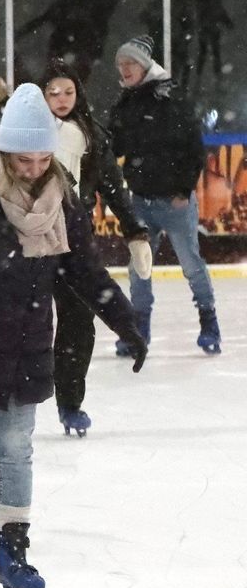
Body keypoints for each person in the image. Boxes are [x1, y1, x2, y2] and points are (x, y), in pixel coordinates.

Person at [0, 86, 147, 588]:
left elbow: (82, 267)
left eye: (44, 157)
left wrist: (123, 319)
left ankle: (13, 553)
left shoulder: (60, 195)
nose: (35, 167)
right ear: (4, 151)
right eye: (25, 158)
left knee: (16, 453)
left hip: (24, 343)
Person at [42, 58, 153, 436]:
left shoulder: (92, 134)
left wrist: (135, 230)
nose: (60, 99)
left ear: (78, 93)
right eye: (52, 93)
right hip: (26, 239)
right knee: (18, 323)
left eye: (67, 92)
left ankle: (70, 403)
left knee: (77, 324)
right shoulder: (24, 132)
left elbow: (114, 187)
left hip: (73, 234)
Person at [107, 34, 220, 355]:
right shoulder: (125, 104)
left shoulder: (171, 98)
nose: (124, 69)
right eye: (120, 64)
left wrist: (183, 189)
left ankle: (209, 321)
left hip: (175, 201)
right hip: (141, 199)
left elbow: (193, 147)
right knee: (139, 265)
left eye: (129, 63)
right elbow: (115, 146)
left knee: (191, 264)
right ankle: (139, 328)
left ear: (144, 65)